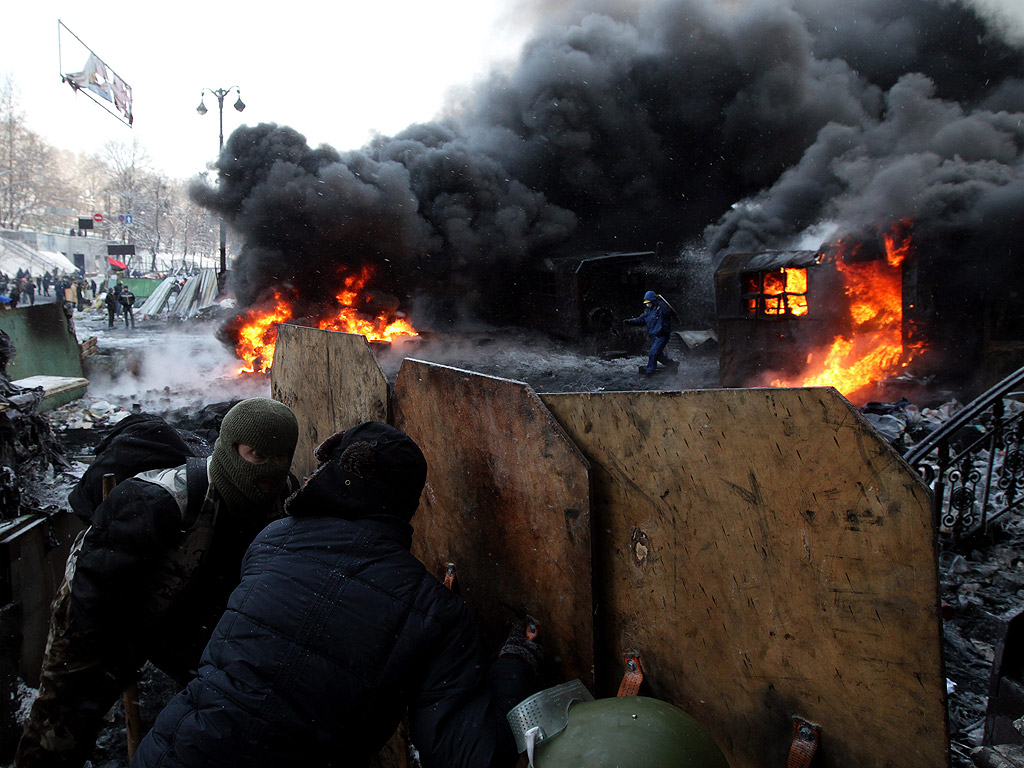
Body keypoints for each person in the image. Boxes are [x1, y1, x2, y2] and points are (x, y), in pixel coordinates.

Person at [132, 421, 542, 768]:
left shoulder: (273, 540)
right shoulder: (434, 610)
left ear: (333, 477)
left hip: (177, 751)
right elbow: (468, 754)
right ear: (406, 502)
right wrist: (514, 666)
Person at [16, 397, 301, 768]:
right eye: (257, 456)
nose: (269, 471)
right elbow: (96, 588)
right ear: (230, 449)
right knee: (64, 721)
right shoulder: (159, 499)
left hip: (182, 600)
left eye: (280, 458)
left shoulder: (283, 496)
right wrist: (113, 660)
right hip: (99, 604)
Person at [624, 290, 679, 376]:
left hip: (662, 335)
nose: (647, 304)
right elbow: (642, 319)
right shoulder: (648, 310)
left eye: (649, 302)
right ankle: (672, 365)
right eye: (646, 302)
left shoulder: (661, 308)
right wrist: (630, 321)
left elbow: (667, 312)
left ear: (653, 300)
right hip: (653, 336)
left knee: (653, 353)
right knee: (658, 354)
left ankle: (650, 372)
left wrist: (661, 301)